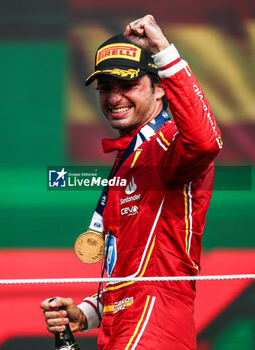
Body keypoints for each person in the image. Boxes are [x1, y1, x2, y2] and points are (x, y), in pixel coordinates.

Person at [41, 15, 222, 350]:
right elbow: (130, 267)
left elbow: (205, 142)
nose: (114, 98)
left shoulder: (167, 143)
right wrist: (86, 314)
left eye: (128, 85)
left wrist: (164, 51)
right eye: (106, 88)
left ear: (160, 88)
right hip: (122, 328)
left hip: (155, 328)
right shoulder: (129, 159)